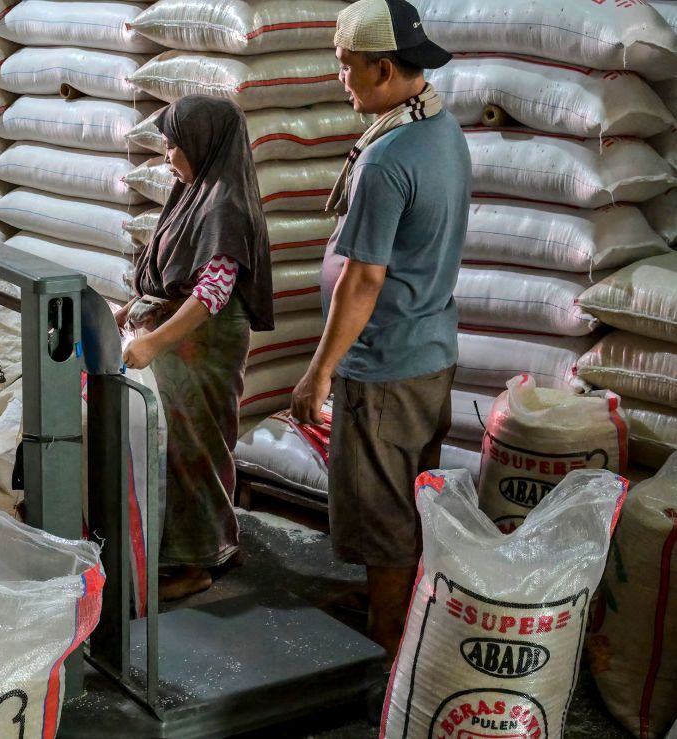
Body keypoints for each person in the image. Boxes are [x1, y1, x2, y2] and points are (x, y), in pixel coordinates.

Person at [290, 0, 471, 661]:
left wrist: (318, 372)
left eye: (346, 67)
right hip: (429, 351)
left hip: (386, 362)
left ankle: (389, 645)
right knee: (409, 500)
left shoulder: (387, 160)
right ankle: (395, 614)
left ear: (385, 69)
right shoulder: (441, 129)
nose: (340, 79)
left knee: (383, 513)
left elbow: (362, 281)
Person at [119, 95, 273, 601]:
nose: (167, 155)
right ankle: (216, 541)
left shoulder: (224, 205)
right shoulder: (192, 192)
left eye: (174, 145)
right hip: (183, 340)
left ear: (203, 145)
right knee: (185, 445)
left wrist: (154, 342)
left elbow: (211, 292)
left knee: (195, 448)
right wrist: (133, 309)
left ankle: (196, 564)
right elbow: (173, 274)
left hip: (203, 342)